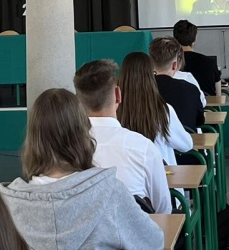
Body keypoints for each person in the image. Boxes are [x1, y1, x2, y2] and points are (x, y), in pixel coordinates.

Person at [0, 88, 163, 250]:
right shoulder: (111, 192)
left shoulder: (5, 206)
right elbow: (154, 241)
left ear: (33, 140)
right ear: (83, 134)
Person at [72, 59, 171, 212]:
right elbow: (163, 210)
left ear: (77, 101)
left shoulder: (66, 149)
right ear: (118, 94)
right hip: (137, 227)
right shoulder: (143, 147)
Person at [115, 53, 192, 166]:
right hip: (161, 172)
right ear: (151, 78)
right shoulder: (163, 110)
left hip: (127, 173)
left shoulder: (114, 111)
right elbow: (186, 145)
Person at [149, 36, 205, 130]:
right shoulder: (191, 89)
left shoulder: (141, 88)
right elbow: (199, 120)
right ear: (175, 65)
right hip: (188, 137)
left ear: (150, 63)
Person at [174, 19, 221, 96]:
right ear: (194, 41)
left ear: (175, 40)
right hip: (207, 103)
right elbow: (218, 96)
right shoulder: (210, 62)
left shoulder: (171, 64)